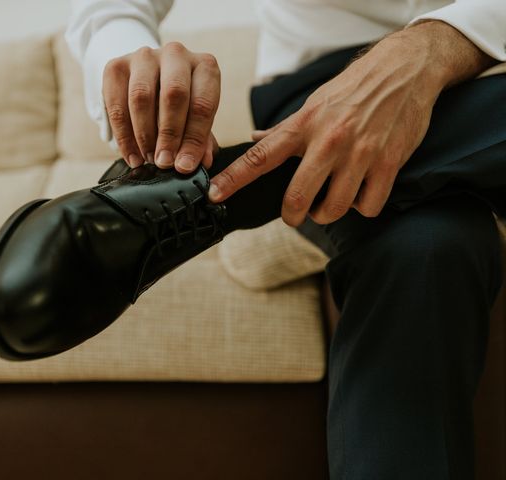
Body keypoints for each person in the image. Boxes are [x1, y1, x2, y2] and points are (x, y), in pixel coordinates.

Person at [61, 1, 506, 478]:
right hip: (324, 91)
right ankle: (263, 176)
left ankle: (232, 191)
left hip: (494, 64)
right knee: (427, 248)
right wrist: (135, 66)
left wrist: (440, 44)